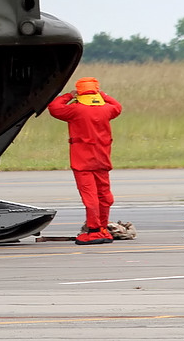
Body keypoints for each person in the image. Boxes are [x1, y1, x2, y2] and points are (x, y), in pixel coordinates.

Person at [48, 77, 122, 245]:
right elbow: (117, 106)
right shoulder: (107, 109)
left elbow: (54, 108)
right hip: (102, 160)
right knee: (104, 195)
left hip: (82, 162)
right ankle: (103, 229)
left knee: (90, 197)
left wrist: (68, 96)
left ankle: (94, 231)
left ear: (80, 93)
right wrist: (103, 95)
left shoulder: (75, 110)